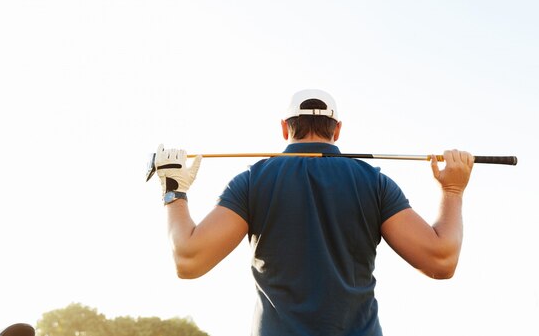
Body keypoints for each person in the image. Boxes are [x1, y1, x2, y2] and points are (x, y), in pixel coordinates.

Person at [154, 89, 474, 336]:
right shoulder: (374, 183)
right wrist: (453, 191)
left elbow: (189, 259)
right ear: (337, 130)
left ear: (285, 128)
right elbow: (440, 260)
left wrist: (174, 189)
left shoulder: (253, 181)